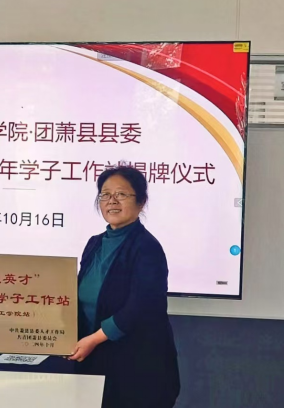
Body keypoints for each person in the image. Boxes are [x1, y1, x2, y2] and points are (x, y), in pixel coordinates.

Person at [69, 166, 180, 408]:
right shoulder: (94, 244)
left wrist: (94, 339)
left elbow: (140, 307)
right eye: (105, 194)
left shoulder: (147, 248)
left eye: (121, 194)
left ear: (141, 202)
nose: (112, 201)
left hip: (137, 366)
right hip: (96, 359)